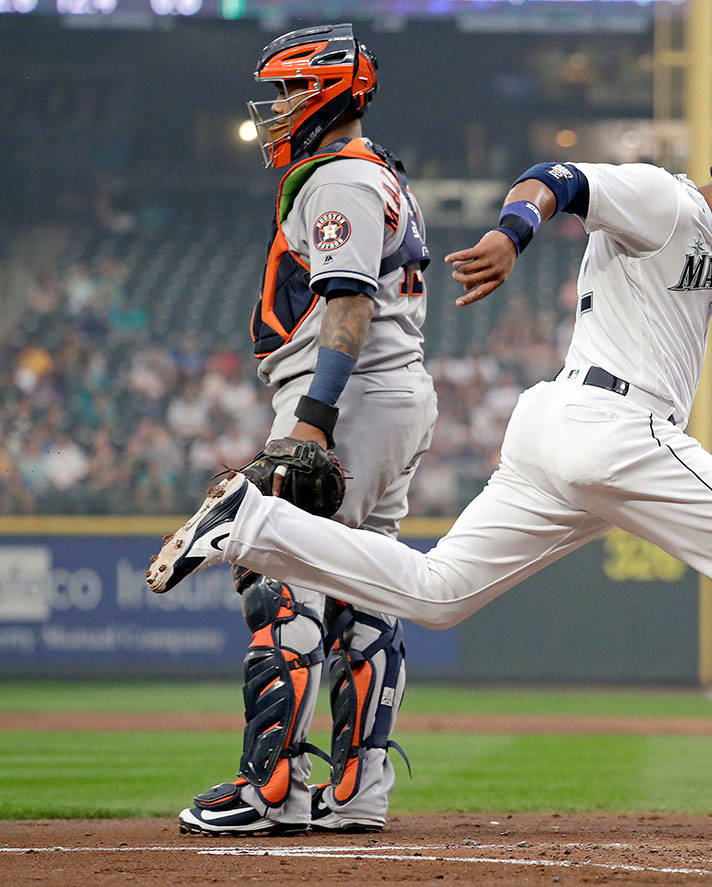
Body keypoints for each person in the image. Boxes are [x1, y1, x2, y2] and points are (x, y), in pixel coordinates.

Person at [148, 139, 712, 816]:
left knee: (438, 593)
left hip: (562, 431)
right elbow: (562, 178)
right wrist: (513, 234)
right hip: (615, 428)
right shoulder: (671, 200)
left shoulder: (710, 232)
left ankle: (252, 526)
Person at [175, 23, 437, 836]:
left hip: (347, 396)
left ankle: (271, 787)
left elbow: (349, 302)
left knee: (281, 577)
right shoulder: (375, 173)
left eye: (289, 90)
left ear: (327, 93)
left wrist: (315, 423)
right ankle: (358, 791)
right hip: (393, 394)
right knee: (363, 592)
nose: (279, 108)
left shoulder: (339, 180)